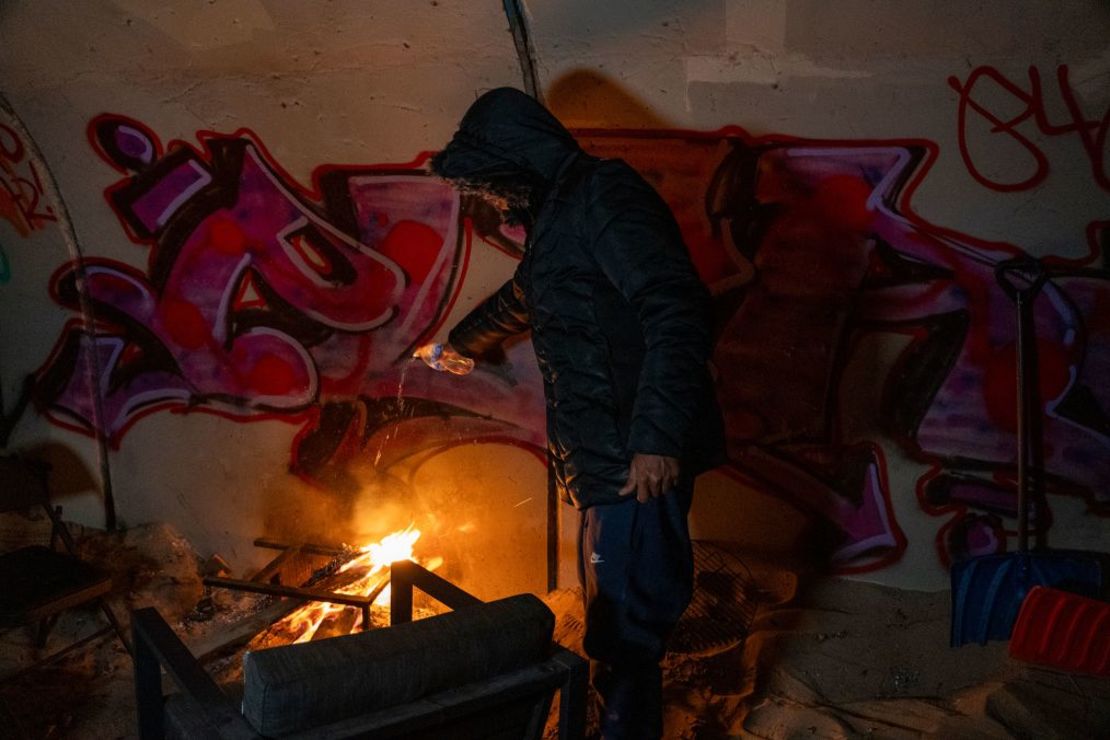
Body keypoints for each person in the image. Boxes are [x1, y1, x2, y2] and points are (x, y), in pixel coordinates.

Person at [416, 87, 724, 739]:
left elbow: (674, 306)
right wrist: (458, 346)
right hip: (605, 451)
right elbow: (525, 296)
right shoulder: (561, 215)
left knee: (631, 624)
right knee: (615, 613)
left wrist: (657, 440)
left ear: (520, 159)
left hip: (632, 451)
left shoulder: (604, 196)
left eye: (495, 182)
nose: (493, 199)